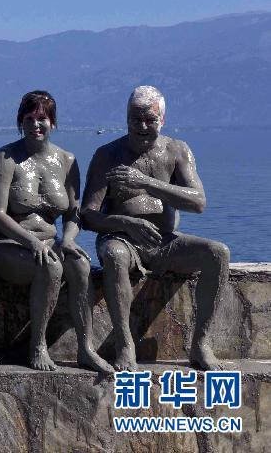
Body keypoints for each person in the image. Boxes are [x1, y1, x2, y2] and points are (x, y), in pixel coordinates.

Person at [81, 86, 230, 370]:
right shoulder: (108, 155)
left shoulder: (177, 151)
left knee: (217, 253)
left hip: (164, 241)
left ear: (162, 119)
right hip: (121, 240)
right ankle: (125, 345)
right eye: (136, 119)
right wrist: (124, 222)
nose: (142, 126)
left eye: (149, 119)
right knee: (114, 254)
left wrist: (146, 183)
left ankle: (200, 344)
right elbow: (88, 214)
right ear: (126, 119)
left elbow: (198, 202)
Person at [0, 91, 113, 372]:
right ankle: (38, 345)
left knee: (79, 264)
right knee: (51, 267)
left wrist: (67, 239)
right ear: (20, 121)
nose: (35, 125)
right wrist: (31, 242)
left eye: (42, 118)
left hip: (48, 243)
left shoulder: (66, 160)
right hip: (6, 245)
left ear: (52, 122)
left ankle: (86, 348)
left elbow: (73, 212)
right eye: (28, 118)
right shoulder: (5, 158)